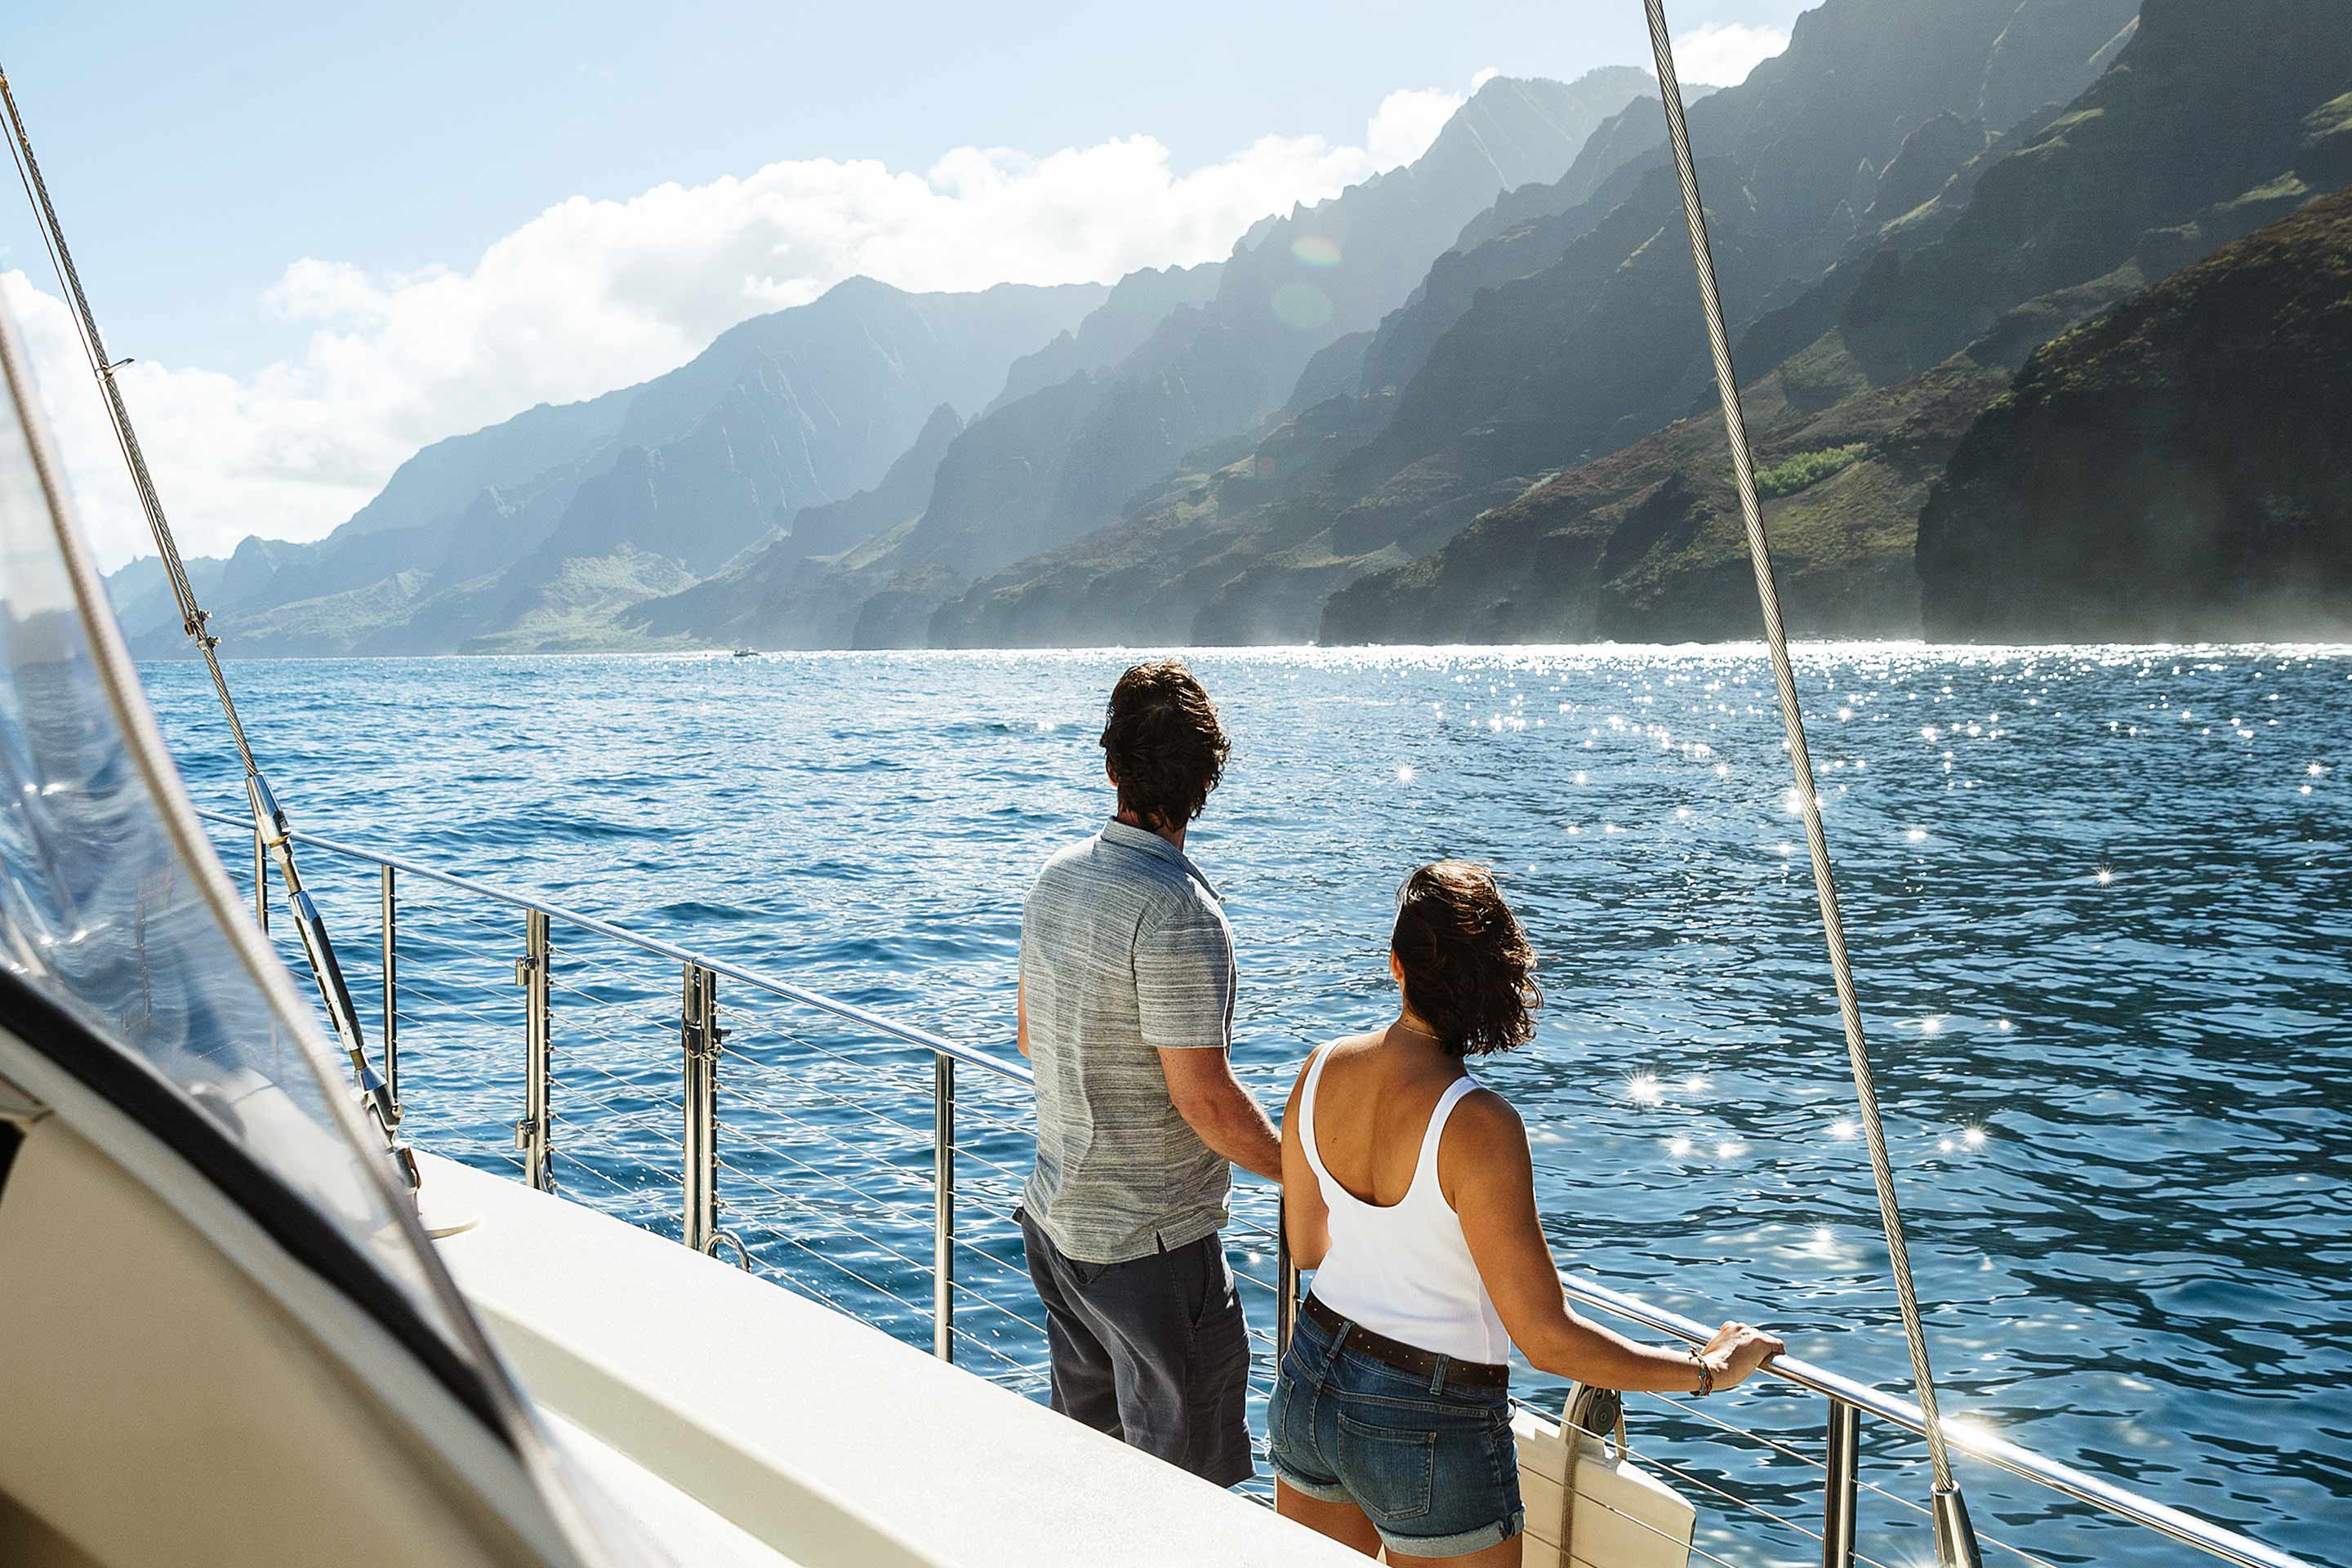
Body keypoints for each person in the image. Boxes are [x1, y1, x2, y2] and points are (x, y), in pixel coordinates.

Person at [1272, 861, 1785, 1564]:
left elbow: (1306, 1247)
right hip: (1429, 1418)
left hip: (1313, 1377)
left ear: (1396, 966)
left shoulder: (1320, 1067)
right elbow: (1545, 1340)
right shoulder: (1478, 1125)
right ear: (1491, 983)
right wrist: (1705, 1371)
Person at [1014, 659, 1281, 1488]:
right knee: (1187, 1496)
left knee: (1092, 1476)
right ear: (1207, 779)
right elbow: (1202, 1098)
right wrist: (1309, 1170)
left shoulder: (1056, 880)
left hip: (1060, 1229)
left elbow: (1028, 1036)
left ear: (1111, 767)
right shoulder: (1179, 912)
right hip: (1153, 1253)